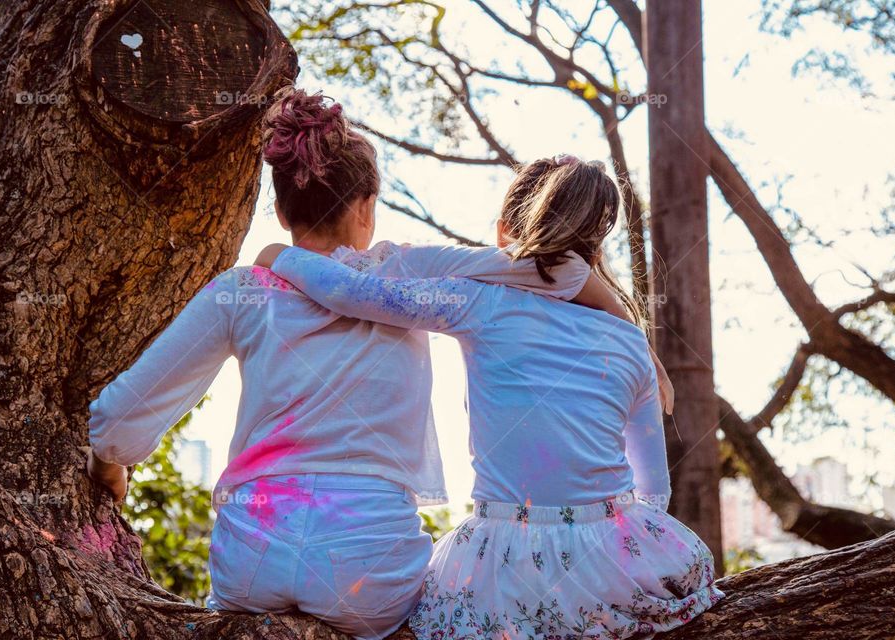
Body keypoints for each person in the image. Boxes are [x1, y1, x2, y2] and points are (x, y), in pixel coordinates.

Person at [85, 87, 594, 640]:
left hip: (252, 556)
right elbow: (560, 272)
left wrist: (110, 466)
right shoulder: (411, 271)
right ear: (367, 205)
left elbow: (116, 420)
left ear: (280, 213)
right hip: (368, 564)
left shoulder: (242, 291)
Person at [257, 156, 724, 639]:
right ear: (597, 243)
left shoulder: (475, 301)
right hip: (608, 559)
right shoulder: (630, 345)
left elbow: (352, 293)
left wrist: (279, 254)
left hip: (503, 563)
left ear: (503, 234)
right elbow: (654, 493)